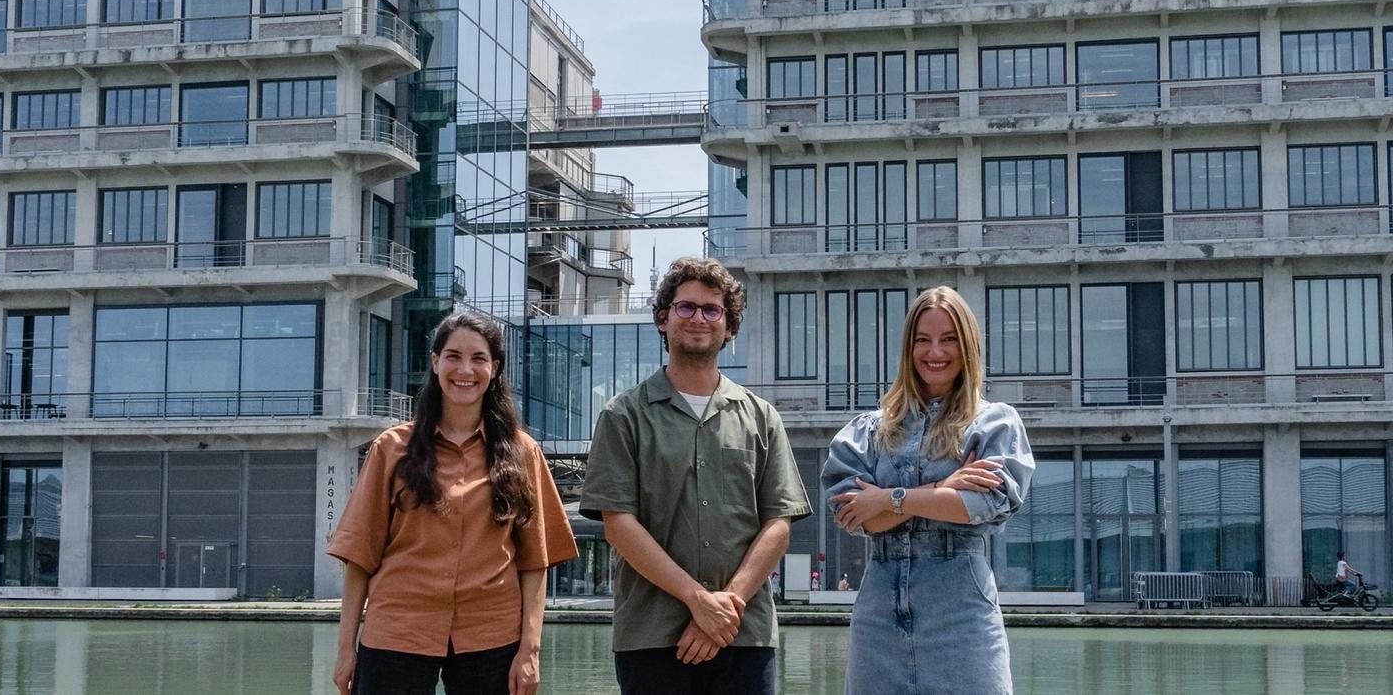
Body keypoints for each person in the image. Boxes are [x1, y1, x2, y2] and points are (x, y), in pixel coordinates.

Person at [580, 257, 813, 695]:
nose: (698, 319)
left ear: (730, 327)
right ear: (664, 318)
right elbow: (619, 524)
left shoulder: (762, 417)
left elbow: (779, 524)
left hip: (743, 634)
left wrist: (727, 607)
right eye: (686, 307)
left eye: (712, 309)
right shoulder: (622, 416)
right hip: (651, 636)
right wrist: (697, 600)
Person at [329, 312, 577, 695]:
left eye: (479, 358)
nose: (465, 370)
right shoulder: (391, 449)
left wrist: (530, 650)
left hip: (491, 635)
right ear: (435, 362)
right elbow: (360, 555)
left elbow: (534, 562)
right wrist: (346, 648)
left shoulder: (523, 453)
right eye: (453, 356)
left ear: (494, 369)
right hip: (397, 631)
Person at [821, 286, 1035, 695]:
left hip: (962, 616)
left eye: (948, 338)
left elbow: (979, 505)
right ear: (908, 347)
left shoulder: (994, 423)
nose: (935, 351)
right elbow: (851, 514)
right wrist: (941, 489)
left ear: (967, 345)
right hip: (878, 617)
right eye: (923, 340)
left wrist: (887, 499)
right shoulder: (870, 429)